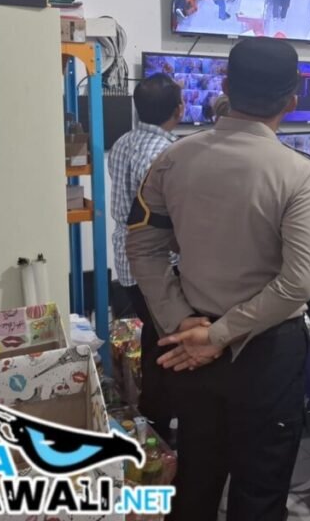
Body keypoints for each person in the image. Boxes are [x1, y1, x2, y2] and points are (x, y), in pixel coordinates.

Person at [127, 37, 310, 521]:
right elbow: (298, 284)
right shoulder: (299, 174)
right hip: (265, 352)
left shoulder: (172, 159)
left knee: (195, 476)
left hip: (189, 345)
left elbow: (143, 248)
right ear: (292, 100)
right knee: (260, 492)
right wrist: (219, 336)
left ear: (225, 87)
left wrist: (183, 323)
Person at [106, 73, 183, 442]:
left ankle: (154, 415)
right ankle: (163, 420)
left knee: (154, 335)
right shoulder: (167, 155)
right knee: (169, 340)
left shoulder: (124, 142)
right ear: (179, 110)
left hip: (126, 256)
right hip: (157, 259)